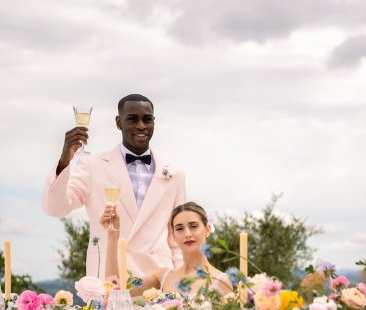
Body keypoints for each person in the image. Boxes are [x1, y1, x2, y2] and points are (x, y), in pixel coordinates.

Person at [42, 94, 187, 282]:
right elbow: (55, 208)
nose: (141, 126)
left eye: (147, 119)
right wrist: (64, 161)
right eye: (132, 119)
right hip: (107, 278)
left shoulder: (175, 174)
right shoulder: (92, 166)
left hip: (159, 280)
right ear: (119, 122)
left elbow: (178, 237)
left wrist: (182, 281)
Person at [99, 201, 232, 297]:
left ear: (207, 229)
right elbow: (115, 289)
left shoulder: (220, 281)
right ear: (173, 235)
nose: (187, 233)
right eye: (179, 228)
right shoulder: (163, 277)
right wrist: (113, 235)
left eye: (193, 226)